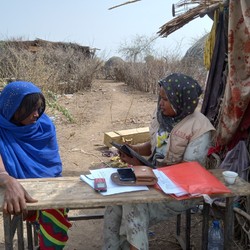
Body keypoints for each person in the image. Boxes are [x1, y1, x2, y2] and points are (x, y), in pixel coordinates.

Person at [102, 73, 216, 250]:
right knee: (115, 203)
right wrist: (134, 151)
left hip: (181, 191)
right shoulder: (162, 117)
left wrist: (147, 170)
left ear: (181, 100)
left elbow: (190, 172)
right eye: (160, 98)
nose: (160, 103)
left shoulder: (200, 127)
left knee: (133, 205)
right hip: (153, 179)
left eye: (166, 99)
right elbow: (154, 145)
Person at [0, 81, 71, 249]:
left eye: (39, 108)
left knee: (55, 210)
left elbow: (52, 168)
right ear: (13, 110)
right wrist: (8, 180)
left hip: (46, 188)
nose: (36, 115)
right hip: (16, 195)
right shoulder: (2, 130)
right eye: (30, 109)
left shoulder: (44, 127)